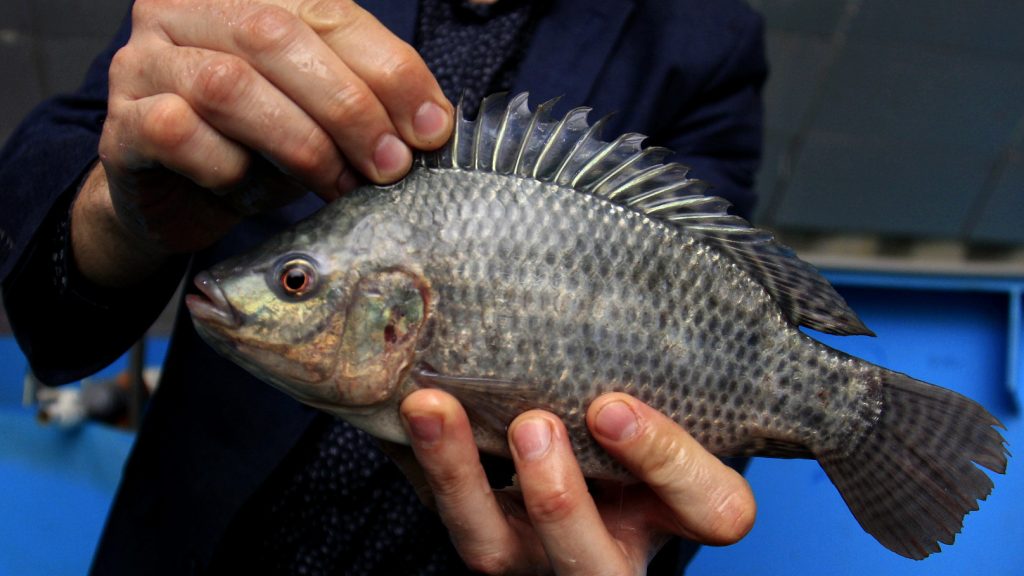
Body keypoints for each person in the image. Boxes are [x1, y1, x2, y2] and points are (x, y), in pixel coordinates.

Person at [0, 0, 767, 573]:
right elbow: (49, 241)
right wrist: (123, 215)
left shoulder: (709, 38)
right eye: (296, 282)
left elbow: (709, 342)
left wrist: (625, 529)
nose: (282, 287)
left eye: (294, 281)